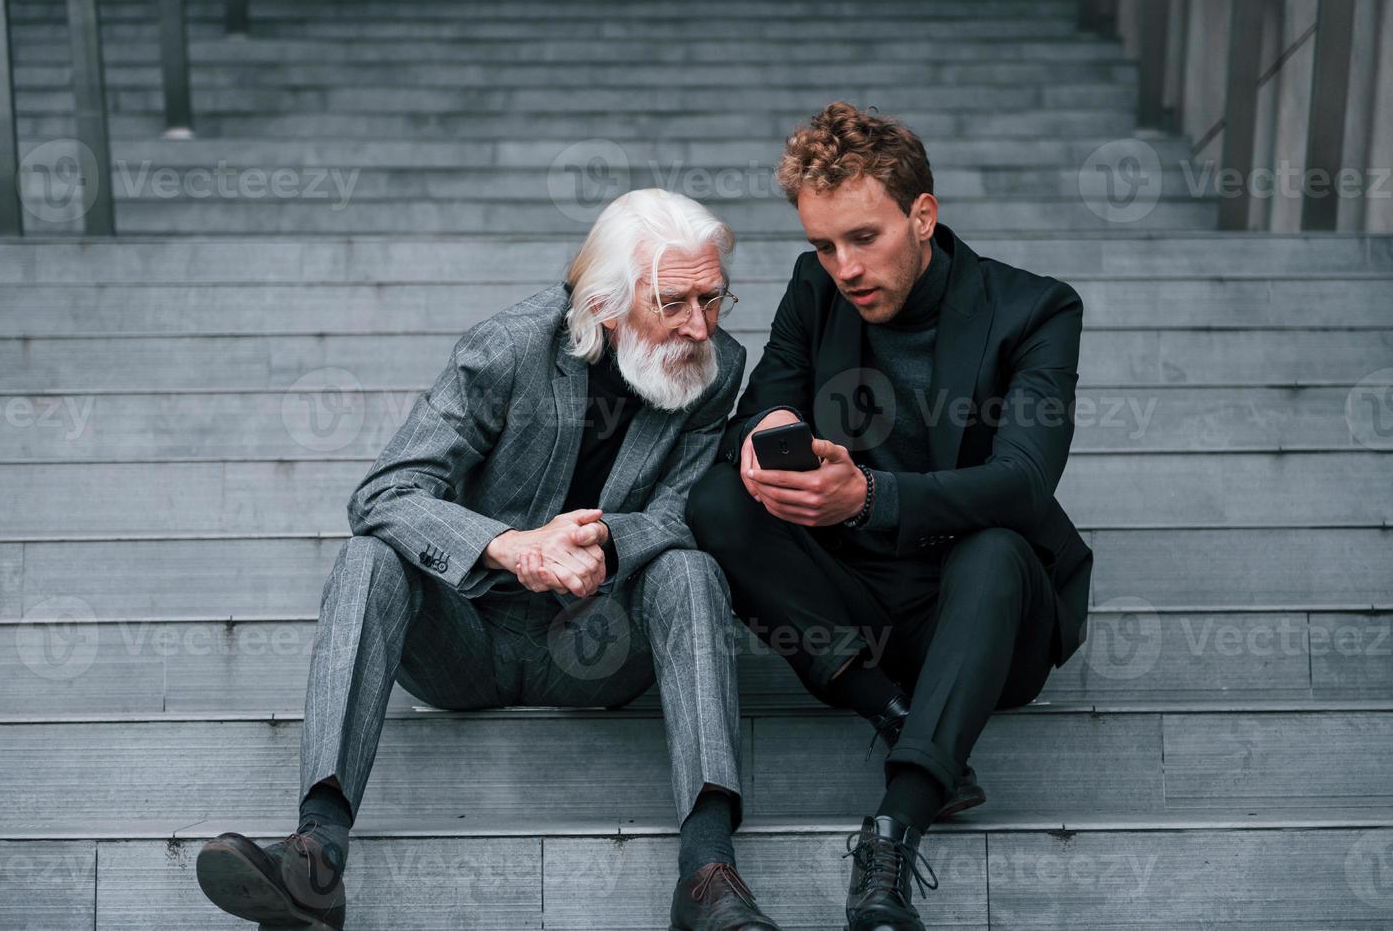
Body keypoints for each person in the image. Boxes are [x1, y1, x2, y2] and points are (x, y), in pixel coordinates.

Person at [195, 189, 783, 931]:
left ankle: (708, 873)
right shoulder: (508, 349)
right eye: (674, 303)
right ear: (604, 303)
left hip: (599, 647)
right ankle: (315, 858)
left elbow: (677, 513)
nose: (699, 326)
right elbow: (383, 492)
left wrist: (605, 543)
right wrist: (514, 547)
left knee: (691, 570)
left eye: (713, 297)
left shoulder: (716, 366)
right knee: (371, 557)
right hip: (466, 639)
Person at [686, 102, 1093, 931]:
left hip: (985, 616)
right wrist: (764, 433)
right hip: (856, 609)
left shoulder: (1036, 310)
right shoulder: (815, 290)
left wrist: (870, 494)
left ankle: (894, 829)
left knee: (998, 549)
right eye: (824, 245)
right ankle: (890, 708)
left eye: (863, 238)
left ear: (923, 215)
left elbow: (1022, 479)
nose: (844, 266)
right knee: (717, 499)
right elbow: (760, 407)